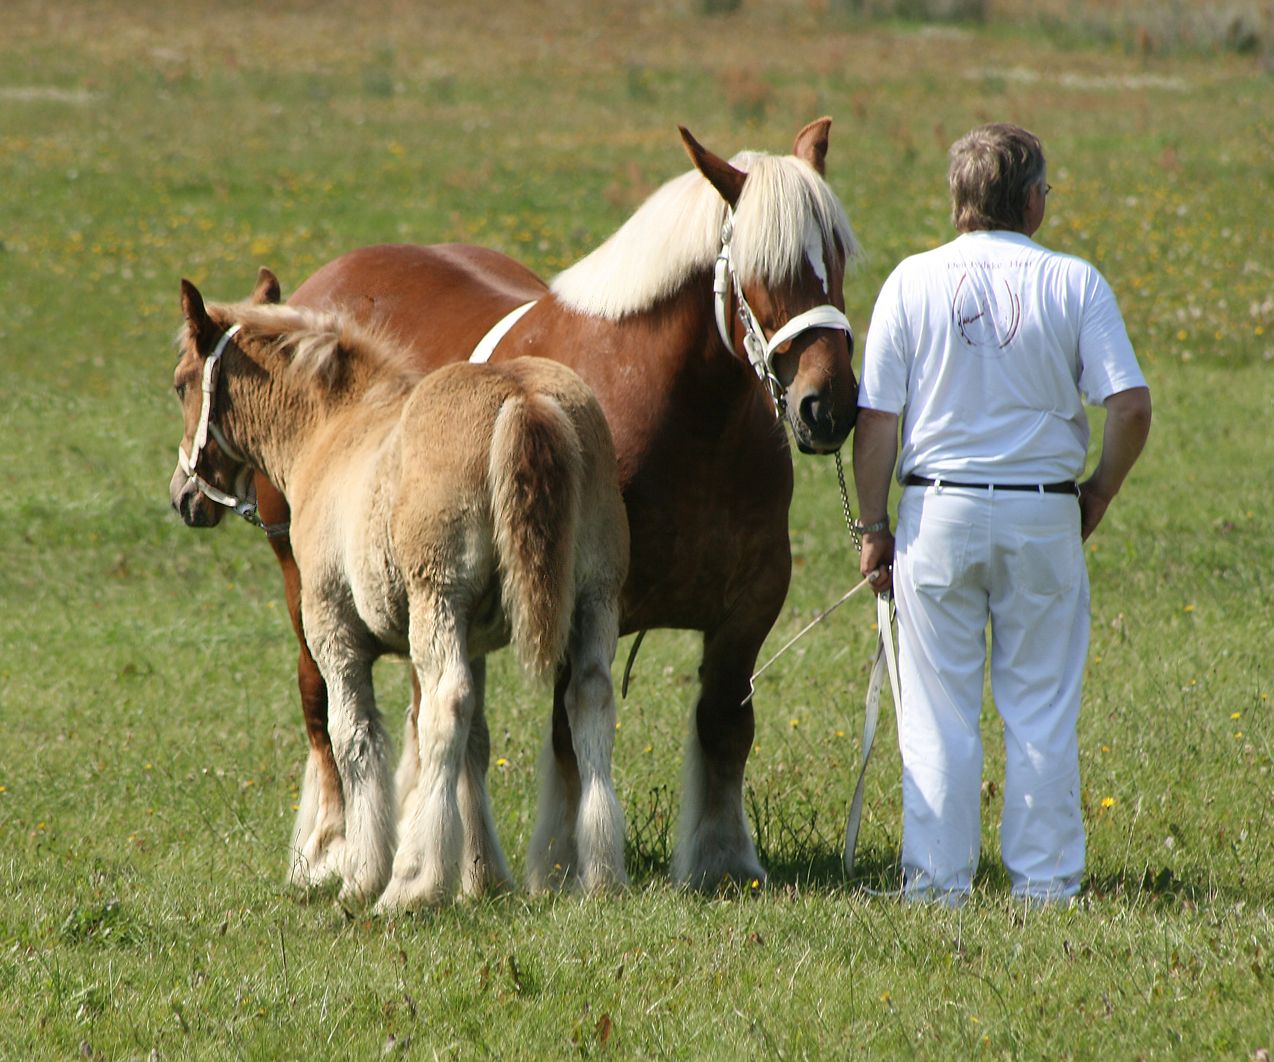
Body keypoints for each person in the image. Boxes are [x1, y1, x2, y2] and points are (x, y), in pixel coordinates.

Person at [852, 123, 1152, 905]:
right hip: (1044, 511)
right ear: (1029, 201)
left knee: (939, 709)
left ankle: (937, 883)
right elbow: (1130, 406)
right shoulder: (1075, 283)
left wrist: (873, 526)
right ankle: (1047, 884)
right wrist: (1099, 492)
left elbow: (878, 419)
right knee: (1041, 705)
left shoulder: (910, 283)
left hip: (937, 512)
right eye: (1046, 191)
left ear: (959, 201)